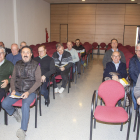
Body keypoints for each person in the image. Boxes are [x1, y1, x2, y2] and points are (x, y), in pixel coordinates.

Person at [2, 46, 41, 140]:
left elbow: (38, 81)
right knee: (4, 103)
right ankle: (14, 112)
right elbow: (13, 78)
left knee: (25, 105)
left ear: (31, 54)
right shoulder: (17, 64)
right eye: (23, 52)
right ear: (21, 54)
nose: (25, 54)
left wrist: (28, 92)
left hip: (30, 91)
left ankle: (23, 130)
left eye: (28, 52)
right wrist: (13, 89)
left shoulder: (36, 65)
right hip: (18, 91)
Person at [129, 43, 140, 110]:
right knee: (134, 90)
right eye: (138, 50)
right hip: (136, 81)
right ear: (135, 51)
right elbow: (132, 73)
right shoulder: (133, 60)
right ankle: (137, 109)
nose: (139, 52)